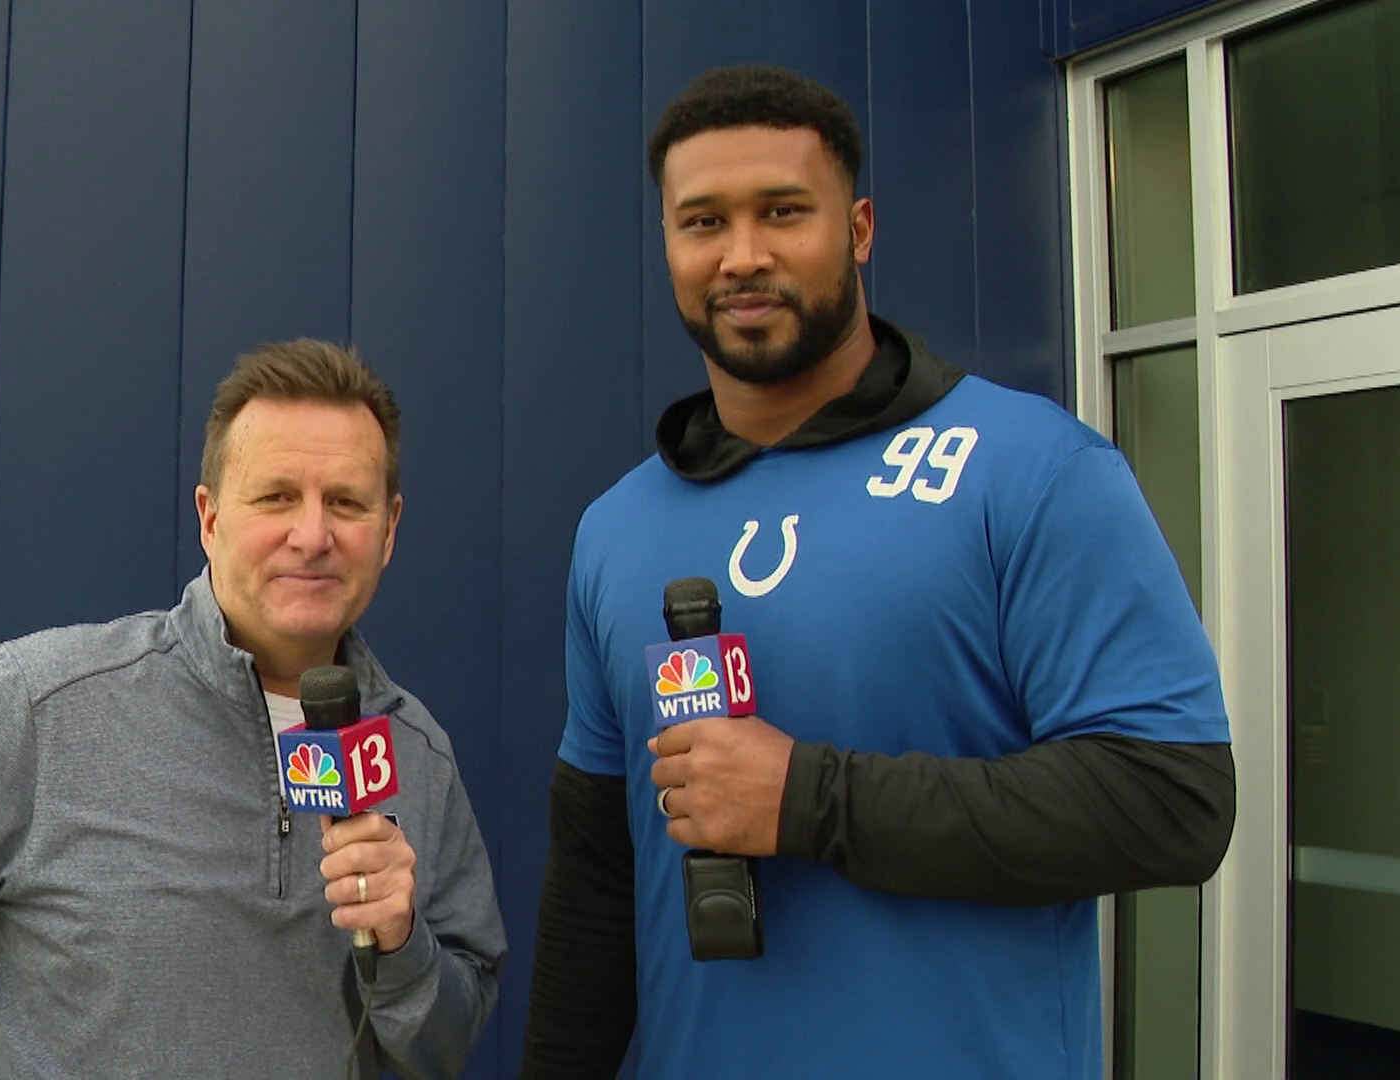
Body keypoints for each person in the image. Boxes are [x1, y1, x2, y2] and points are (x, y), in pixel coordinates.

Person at [522, 65, 1235, 1079]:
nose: (744, 256)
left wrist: (809, 797)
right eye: (702, 222)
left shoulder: (1030, 469)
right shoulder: (616, 527)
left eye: (783, 212)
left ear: (857, 230)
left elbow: (1175, 803)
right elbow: (598, 876)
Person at [0, 340, 506, 1078]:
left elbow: (444, 1045)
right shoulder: (44, 708)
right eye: (274, 497)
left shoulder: (416, 755)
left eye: (346, 503)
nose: (311, 534)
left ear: (390, 528)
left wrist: (401, 949)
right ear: (211, 517)